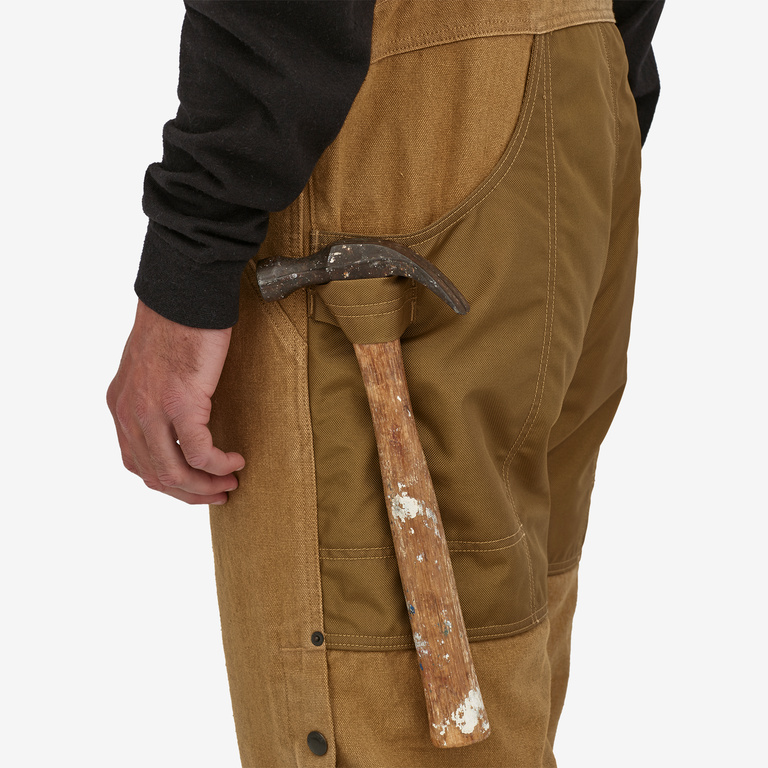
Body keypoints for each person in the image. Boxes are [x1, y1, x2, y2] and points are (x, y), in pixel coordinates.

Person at [107, 1, 664, 765]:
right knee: (504, 668)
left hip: (397, 123)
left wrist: (191, 253)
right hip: (582, 83)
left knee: (392, 713)